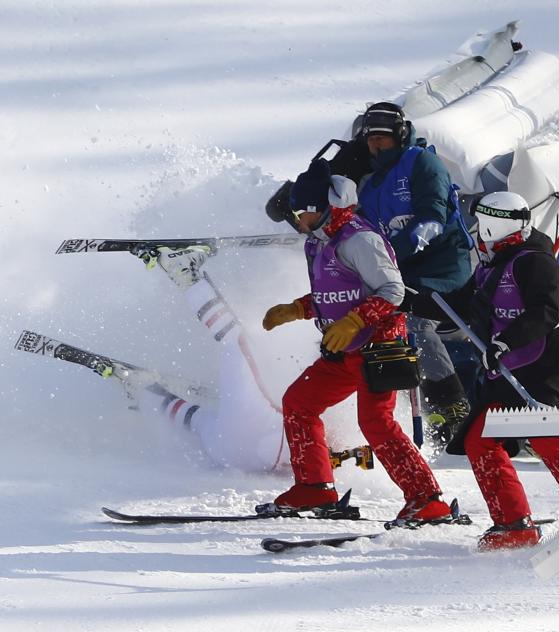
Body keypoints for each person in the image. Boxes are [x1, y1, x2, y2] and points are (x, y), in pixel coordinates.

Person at [405, 191, 559, 549]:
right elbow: (464, 305)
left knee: (548, 436)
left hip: (548, 364)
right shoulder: (493, 263)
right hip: (512, 366)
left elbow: (543, 312)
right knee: (480, 440)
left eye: (486, 225)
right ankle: (514, 524)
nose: (481, 232)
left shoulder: (535, 261)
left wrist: (505, 343)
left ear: (502, 226)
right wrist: (412, 301)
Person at [262, 158, 453, 523]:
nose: (298, 220)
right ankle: (314, 489)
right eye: (296, 211)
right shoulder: (318, 242)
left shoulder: (360, 239)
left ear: (328, 206)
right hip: (341, 352)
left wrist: (355, 321)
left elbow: (393, 289)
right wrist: (295, 309)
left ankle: (427, 499)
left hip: (378, 349)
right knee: (299, 403)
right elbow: (335, 294)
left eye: (304, 211)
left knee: (376, 423)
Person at [355, 102, 476, 442]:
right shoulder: (370, 185)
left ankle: (452, 407)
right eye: (372, 140)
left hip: (443, 267)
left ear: (401, 136)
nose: (378, 147)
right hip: (401, 272)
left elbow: (434, 211)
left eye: (385, 140)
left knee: (413, 323)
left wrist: (423, 232)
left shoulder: (422, 163)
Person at [126, 242, 290, 472]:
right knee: (198, 420)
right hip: (227, 454)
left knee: (234, 340)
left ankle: (183, 272)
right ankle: (146, 392)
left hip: (259, 421)